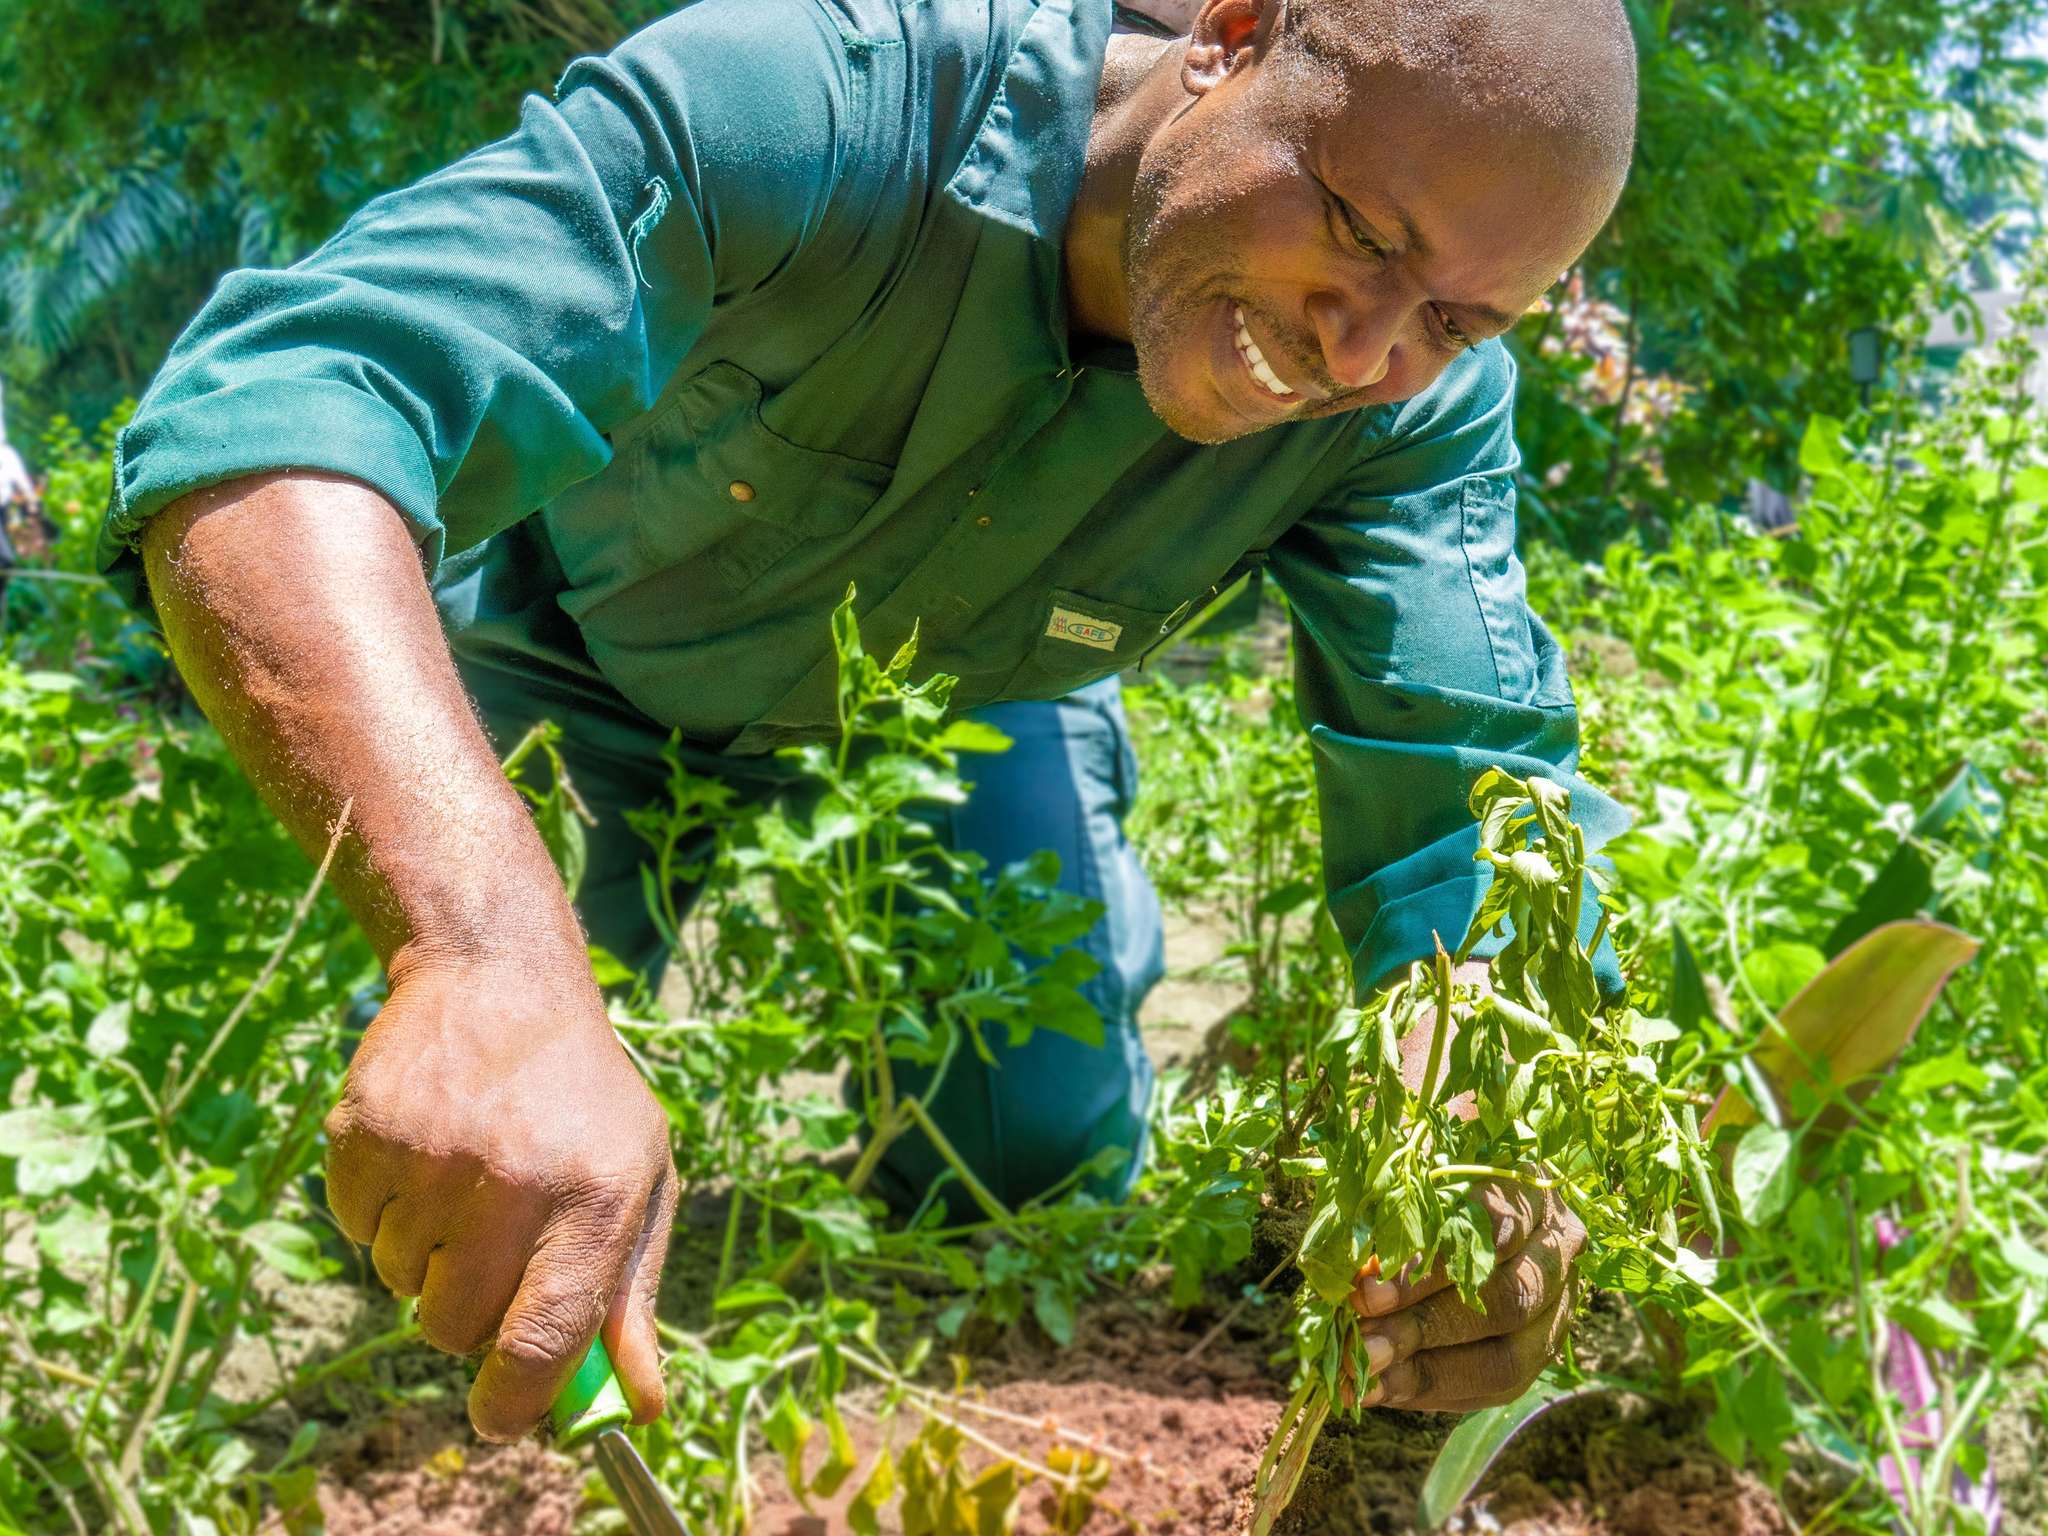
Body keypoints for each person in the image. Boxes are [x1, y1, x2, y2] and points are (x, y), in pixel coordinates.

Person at [100, 0, 1637, 1444]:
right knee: (413, 1167)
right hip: (588, 662)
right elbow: (291, 409)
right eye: (1361, 235)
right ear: (1229, 40)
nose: (1364, 353)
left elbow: (1469, 793)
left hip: (955, 727)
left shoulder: (1405, 412)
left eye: (1456, 315)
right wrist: (479, 951)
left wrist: (1492, 1136)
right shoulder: (818, 103)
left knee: (1027, 1164)